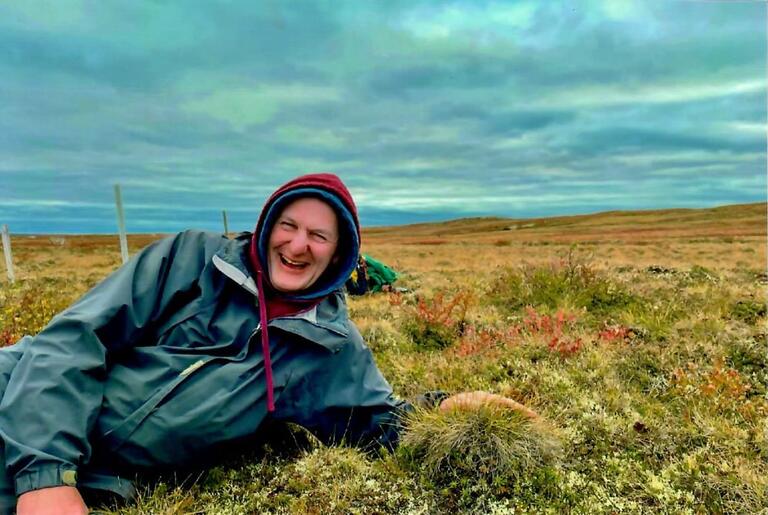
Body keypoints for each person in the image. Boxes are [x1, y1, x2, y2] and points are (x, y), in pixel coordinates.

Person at [0, 173, 535, 514]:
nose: (298, 245)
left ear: (339, 254)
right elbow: (71, 341)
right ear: (266, 226)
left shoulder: (329, 347)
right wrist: (45, 476)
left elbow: (376, 423)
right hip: (22, 399)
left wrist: (449, 409)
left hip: (96, 473)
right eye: (288, 224)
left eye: (319, 236)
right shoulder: (192, 258)